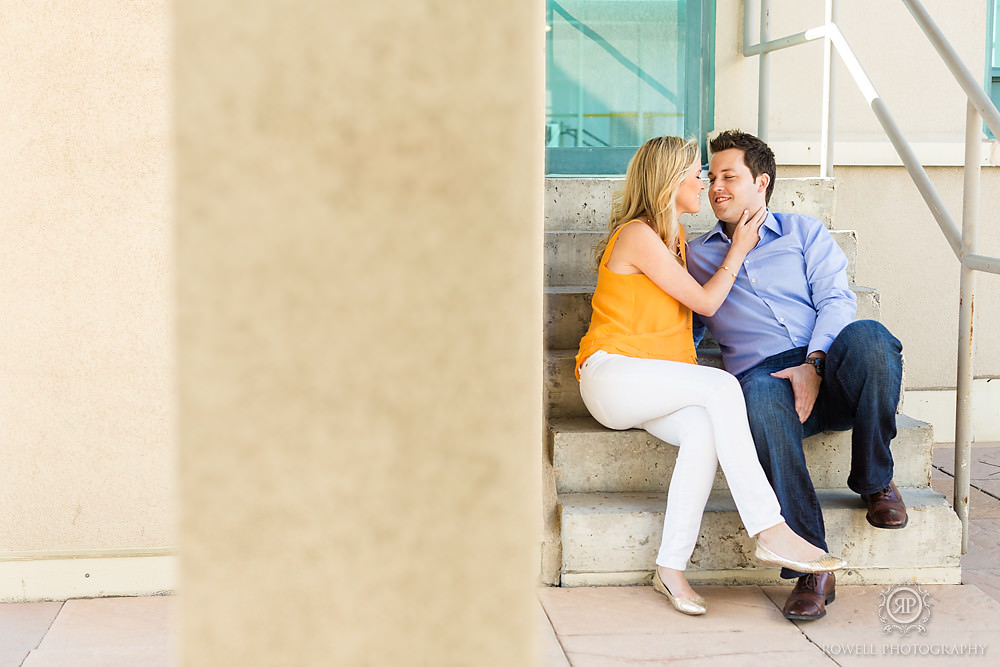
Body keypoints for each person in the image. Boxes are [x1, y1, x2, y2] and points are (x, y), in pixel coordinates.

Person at [575, 135, 844, 617]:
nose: (704, 181)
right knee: (722, 385)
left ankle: (671, 567)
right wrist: (739, 248)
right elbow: (706, 303)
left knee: (703, 430)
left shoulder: (675, 241)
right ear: (668, 180)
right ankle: (768, 528)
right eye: (697, 172)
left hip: (651, 382)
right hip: (611, 375)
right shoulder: (638, 234)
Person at [686, 130, 906, 622]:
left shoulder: (804, 232)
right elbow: (688, 330)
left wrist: (814, 363)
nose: (716, 187)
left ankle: (875, 481)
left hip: (825, 363)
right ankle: (812, 566)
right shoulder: (697, 256)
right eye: (711, 177)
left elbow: (835, 301)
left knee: (871, 336)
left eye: (729, 176)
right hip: (765, 383)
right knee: (759, 395)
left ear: (761, 182)